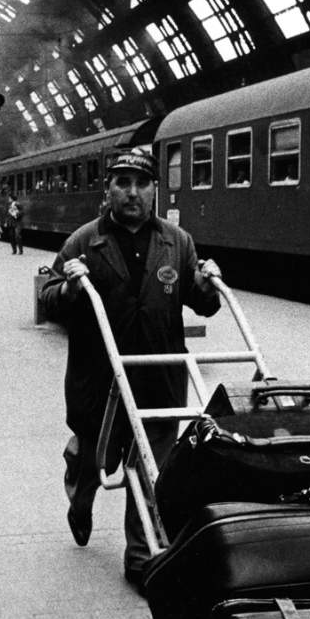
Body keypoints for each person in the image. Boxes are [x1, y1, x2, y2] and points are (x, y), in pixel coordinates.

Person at [38, 148, 222, 594]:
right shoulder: (83, 241)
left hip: (157, 377)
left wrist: (207, 282)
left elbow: (205, 304)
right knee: (94, 459)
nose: (132, 193)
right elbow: (47, 297)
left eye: (141, 184)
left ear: (155, 189)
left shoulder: (178, 242)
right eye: (122, 183)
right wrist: (70, 287)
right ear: (109, 190)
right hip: (98, 379)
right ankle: (80, 497)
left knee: (149, 465)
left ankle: (140, 558)